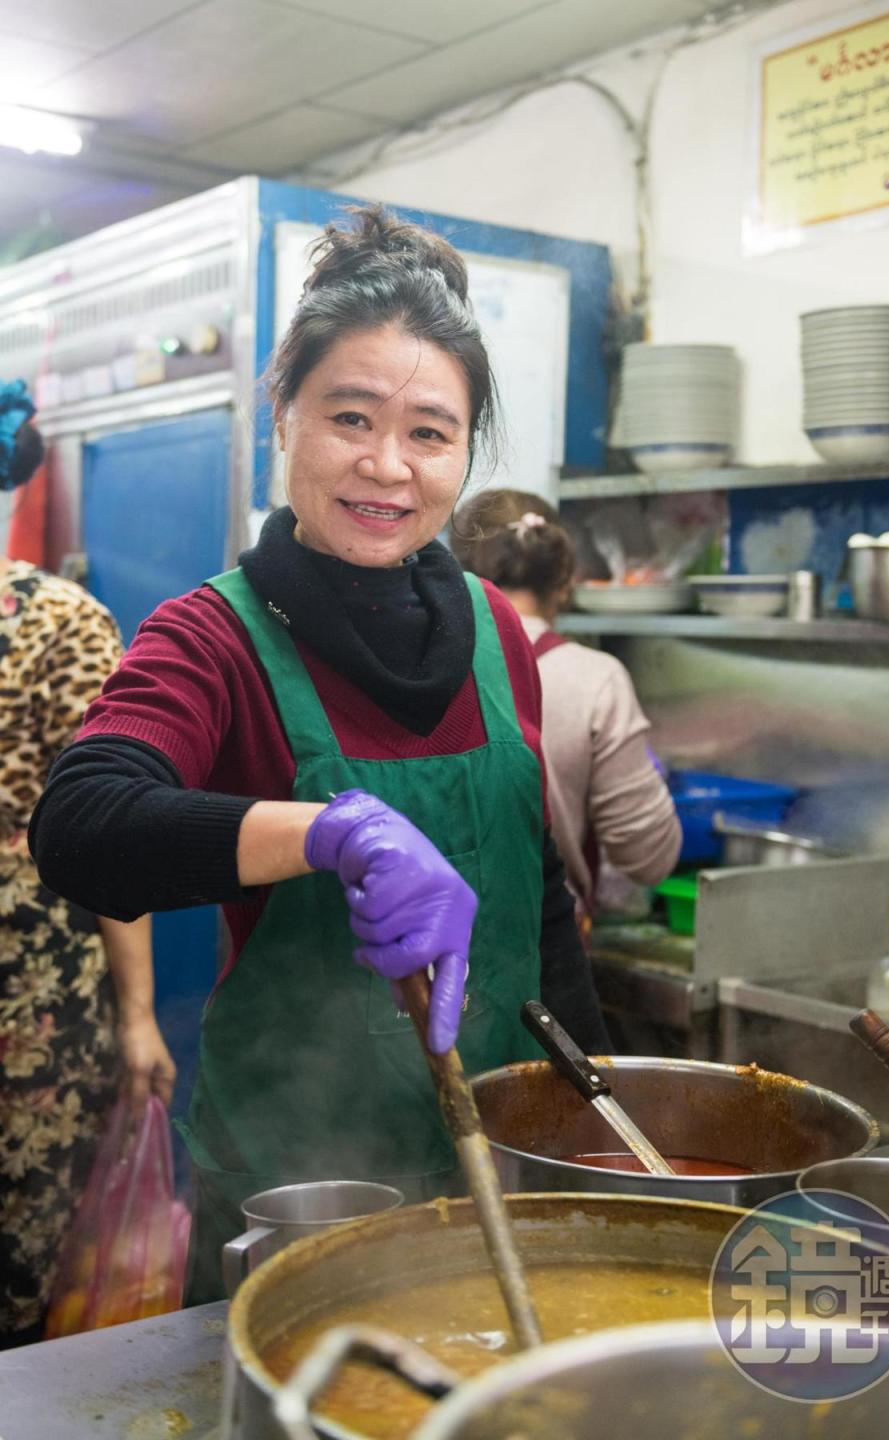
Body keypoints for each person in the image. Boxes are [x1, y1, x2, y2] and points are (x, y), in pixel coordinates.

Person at [30, 206, 609, 1307]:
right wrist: (325, 832)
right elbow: (84, 823)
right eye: (351, 417)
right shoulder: (211, 635)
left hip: (504, 1165)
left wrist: (597, 1114)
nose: (387, 466)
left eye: (431, 433)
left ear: (465, 452)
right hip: (302, 1190)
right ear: (282, 418)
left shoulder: (499, 635)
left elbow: (537, 911)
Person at [0, 383, 175, 1349]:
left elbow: (101, 825)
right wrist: (138, 1020)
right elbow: (102, 834)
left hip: (33, 996)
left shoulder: (62, 621)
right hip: (33, 994)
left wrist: (137, 1017)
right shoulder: (60, 620)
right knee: (27, 1261)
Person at [452, 489, 681, 913]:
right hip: (541, 947)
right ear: (564, 581)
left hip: (416, 945)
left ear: (456, 572)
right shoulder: (596, 679)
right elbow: (648, 858)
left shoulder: (414, 663)